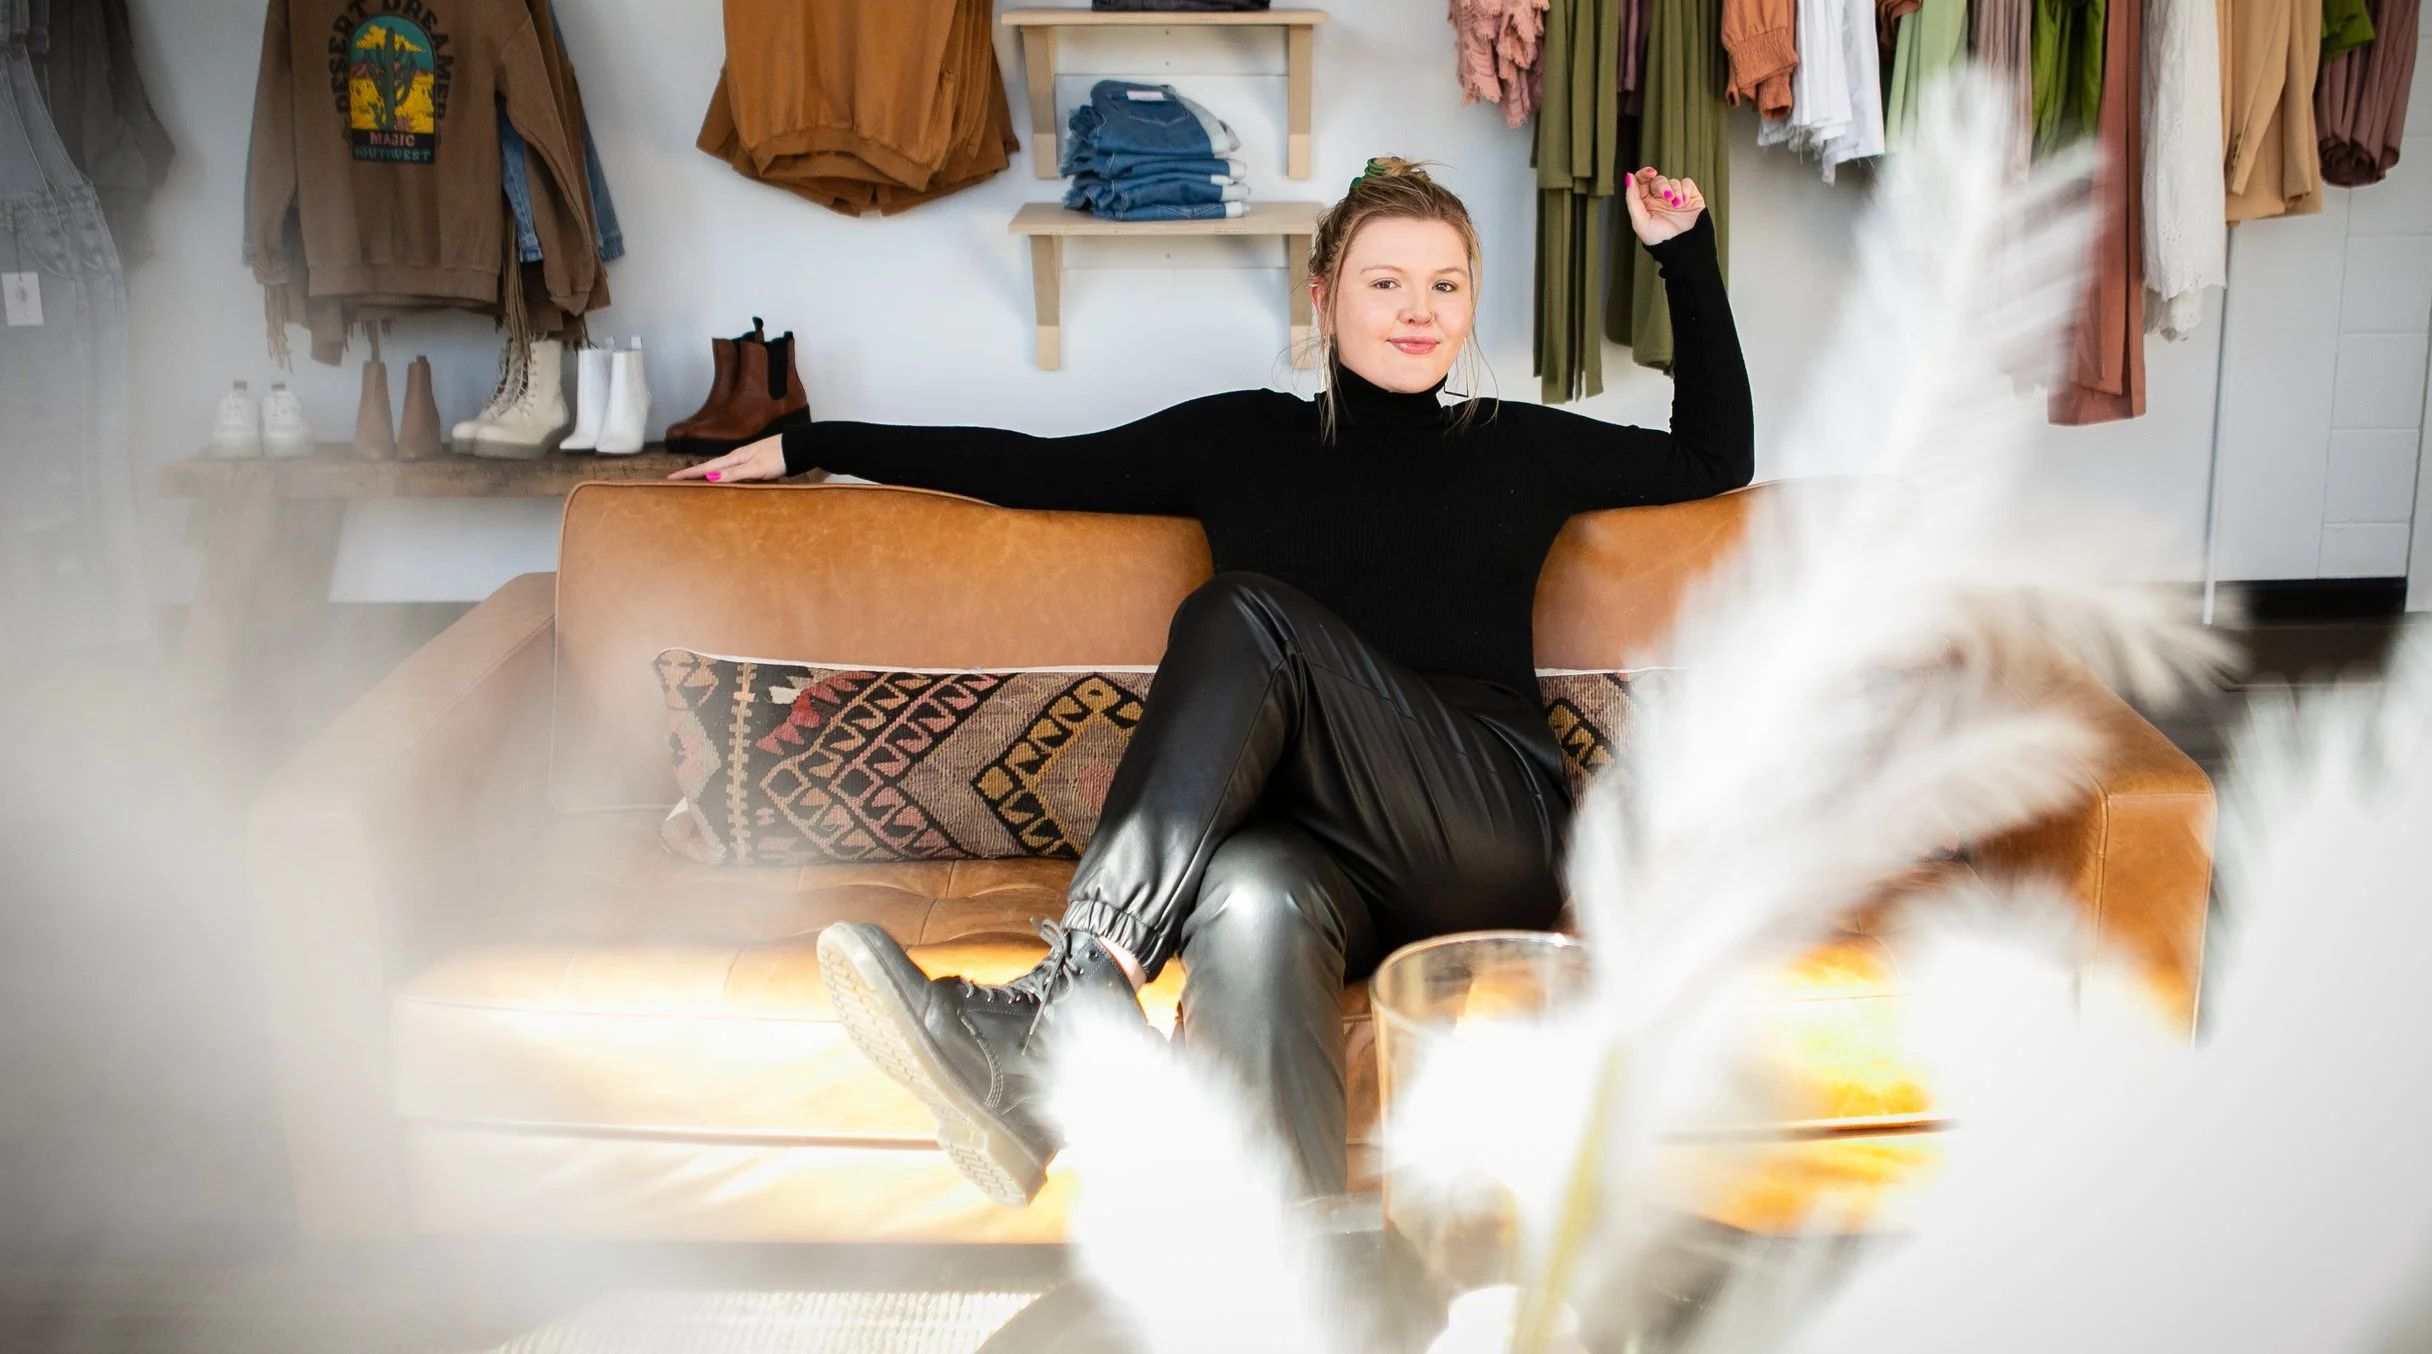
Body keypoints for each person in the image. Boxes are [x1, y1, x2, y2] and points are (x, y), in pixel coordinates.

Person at [671, 159, 1752, 1205]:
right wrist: (809, 440)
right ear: (1324, 296)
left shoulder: (1512, 445)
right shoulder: (1241, 439)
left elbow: (1714, 457)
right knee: (1246, 899)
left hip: (1484, 823)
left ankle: (1074, 995)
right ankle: (1288, 1280)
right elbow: (1030, 463)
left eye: (1444, 285)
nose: (1417, 311)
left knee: (1245, 617)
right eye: (1385, 282)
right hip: (1318, 853)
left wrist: (1682, 254)